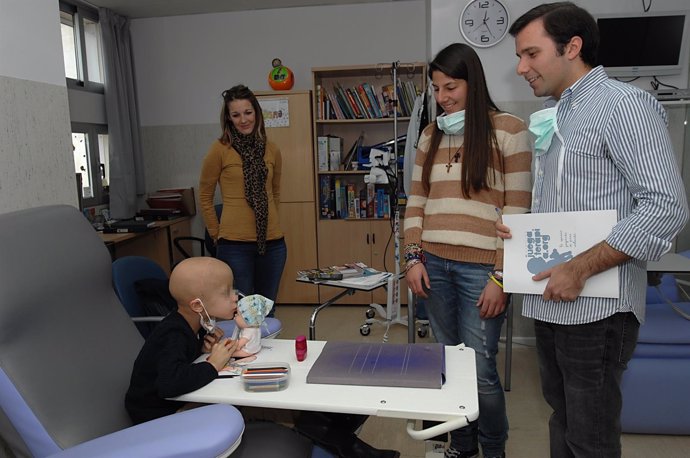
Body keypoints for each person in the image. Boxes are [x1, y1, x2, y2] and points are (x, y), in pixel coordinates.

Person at [498, 3, 689, 457]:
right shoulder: (559, 114)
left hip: (597, 309)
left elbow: (666, 207)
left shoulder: (622, 105)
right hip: (551, 302)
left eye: (530, 53)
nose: (521, 67)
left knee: (591, 436)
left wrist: (581, 268)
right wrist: (526, 235)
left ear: (572, 47)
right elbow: (574, 203)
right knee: (562, 418)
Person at [404, 43, 532, 458]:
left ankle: (493, 450)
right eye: (437, 89)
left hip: (482, 271)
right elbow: (417, 200)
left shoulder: (511, 130)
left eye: (451, 86)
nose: (443, 97)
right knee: (447, 367)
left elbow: (518, 212)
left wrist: (501, 276)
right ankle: (461, 447)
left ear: (472, 83)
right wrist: (412, 257)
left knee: (480, 371)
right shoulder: (430, 134)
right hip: (433, 264)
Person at [199, 84, 286, 315]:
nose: (243, 120)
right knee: (241, 313)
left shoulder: (272, 149)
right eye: (236, 115)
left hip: (273, 244)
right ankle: (244, 352)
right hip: (234, 246)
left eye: (248, 112)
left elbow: (274, 193)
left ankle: (268, 350)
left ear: (256, 113)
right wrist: (216, 234)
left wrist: (270, 222)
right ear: (228, 118)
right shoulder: (219, 150)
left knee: (267, 311)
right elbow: (205, 196)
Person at [125, 257, 239, 424]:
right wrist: (212, 365)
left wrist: (202, 348)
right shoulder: (173, 333)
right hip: (154, 416)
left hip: (171, 404)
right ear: (198, 306)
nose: (235, 297)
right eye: (226, 292)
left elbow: (179, 357)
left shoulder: (191, 324)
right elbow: (169, 384)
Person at [231, 294, 274, 358]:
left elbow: (239, 345)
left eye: (237, 314)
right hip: (256, 348)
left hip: (248, 351)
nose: (235, 316)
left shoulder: (248, 331)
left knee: (231, 354)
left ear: (248, 320)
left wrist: (232, 347)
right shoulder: (255, 327)